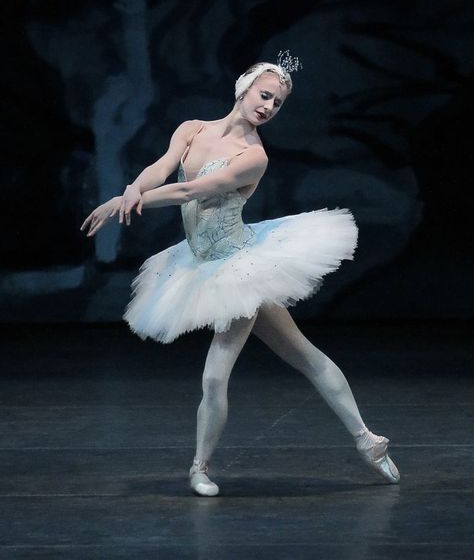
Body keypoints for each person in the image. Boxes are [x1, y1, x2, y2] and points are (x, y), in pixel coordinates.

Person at [81, 52, 400, 496]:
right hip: (202, 263)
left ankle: (199, 468)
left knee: (215, 375)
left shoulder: (253, 156)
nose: (268, 106)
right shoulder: (192, 129)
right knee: (306, 356)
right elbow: (163, 166)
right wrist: (133, 188)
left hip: (239, 268)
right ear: (244, 88)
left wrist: (125, 205)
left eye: (277, 103)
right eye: (264, 95)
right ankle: (368, 441)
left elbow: (193, 189)